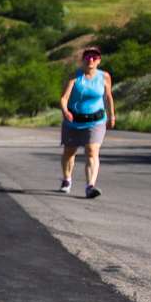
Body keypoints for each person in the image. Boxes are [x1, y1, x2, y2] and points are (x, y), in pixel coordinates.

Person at [58, 46, 115, 199]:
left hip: (96, 121)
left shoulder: (104, 76)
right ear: (83, 59)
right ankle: (67, 180)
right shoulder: (75, 76)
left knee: (92, 151)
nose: (91, 59)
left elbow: (108, 97)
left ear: (99, 60)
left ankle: (90, 186)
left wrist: (112, 116)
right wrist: (65, 111)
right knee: (70, 152)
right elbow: (63, 98)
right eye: (88, 57)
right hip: (73, 120)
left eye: (95, 57)